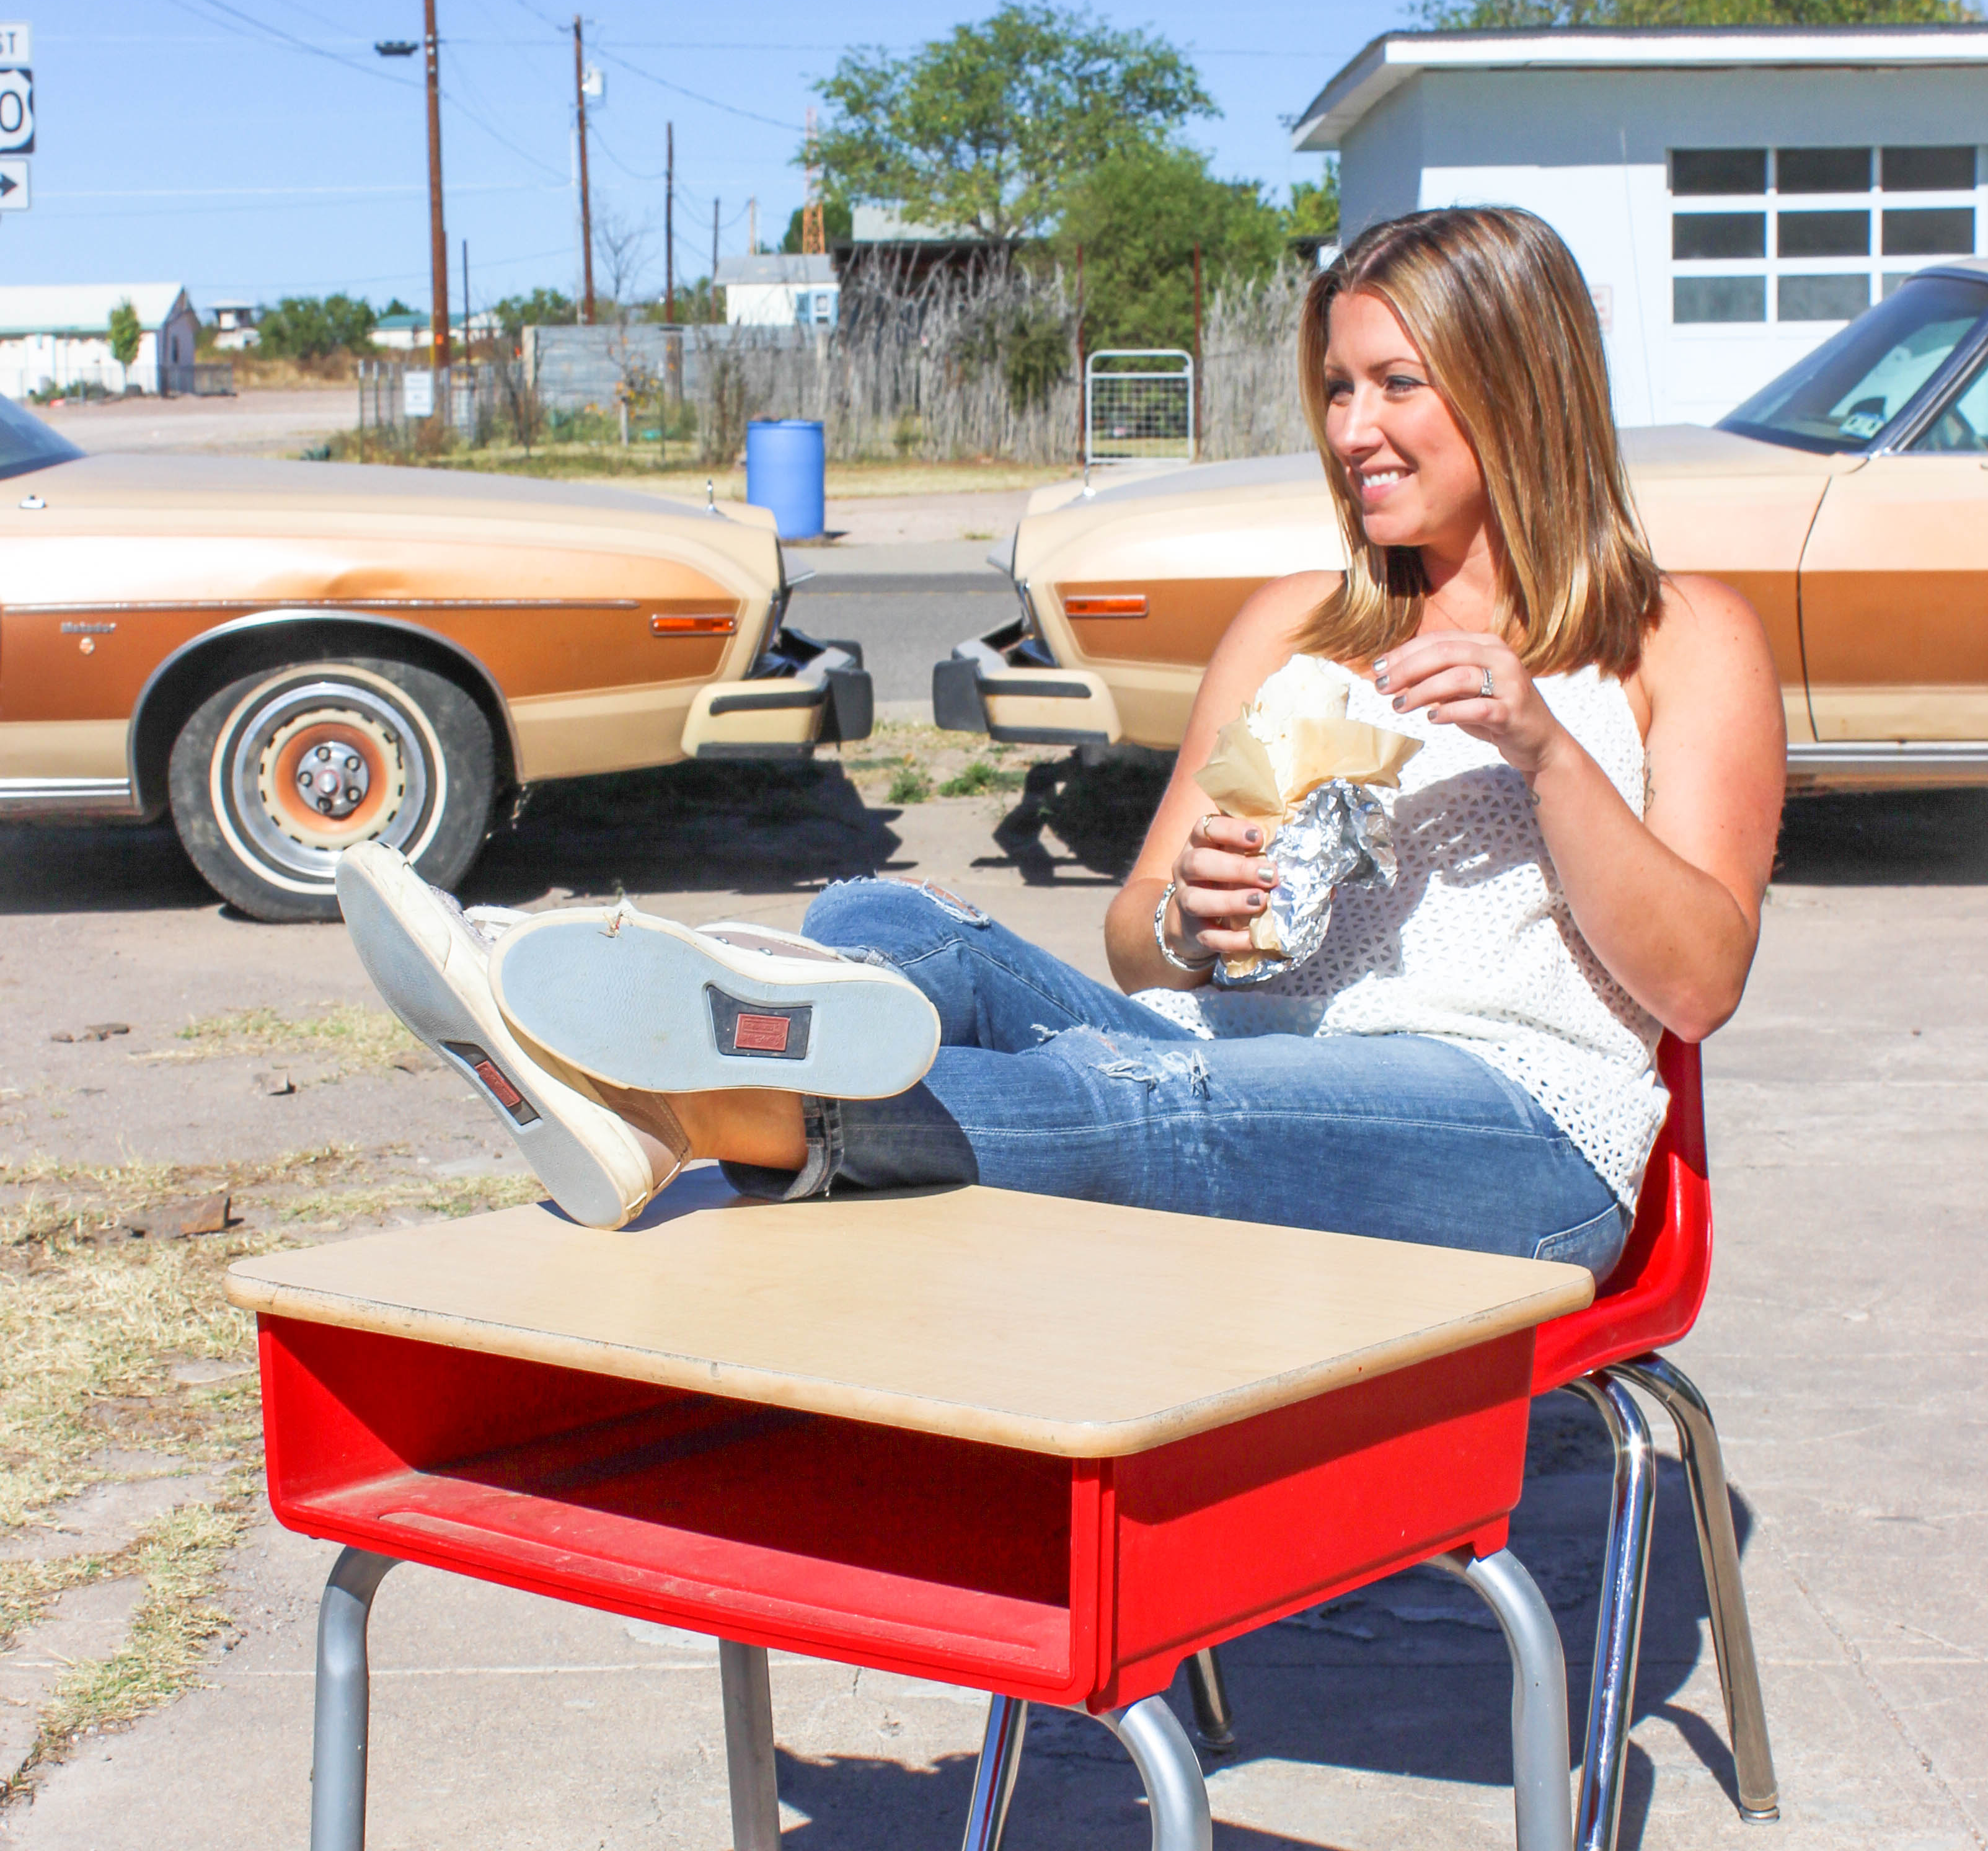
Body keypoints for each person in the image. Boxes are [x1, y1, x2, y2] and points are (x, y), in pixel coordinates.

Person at [340, 205, 1786, 1276]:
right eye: (1338, 387)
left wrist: (1544, 749)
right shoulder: (1299, 620)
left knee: (1144, 1092)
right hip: (1230, 1041)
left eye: (1397, 382)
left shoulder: (1675, 635)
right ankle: (649, 1029)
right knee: (892, 917)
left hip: (1508, 1124)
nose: (1352, 427)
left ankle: (680, 1098)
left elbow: (1695, 980)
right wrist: (1192, 909)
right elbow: (1135, 948)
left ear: (1518, 386)